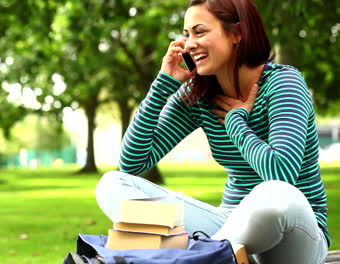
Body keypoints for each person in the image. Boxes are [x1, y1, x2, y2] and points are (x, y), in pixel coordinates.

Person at [94, 0, 330, 263]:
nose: (189, 43)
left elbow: (281, 173)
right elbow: (132, 163)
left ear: (237, 34)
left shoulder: (284, 83)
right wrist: (162, 85)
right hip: (229, 226)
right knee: (112, 185)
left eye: (200, 31)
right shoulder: (199, 95)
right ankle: (208, 254)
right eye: (186, 35)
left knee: (273, 193)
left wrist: (236, 123)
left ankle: (197, 254)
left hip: (294, 234)